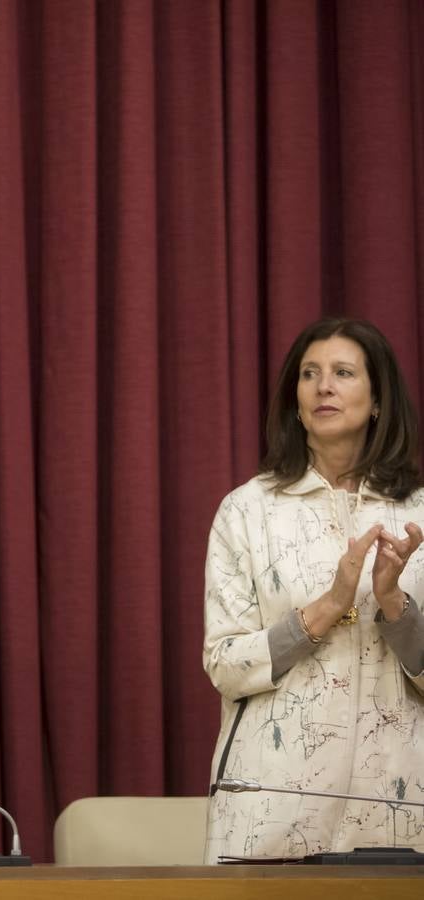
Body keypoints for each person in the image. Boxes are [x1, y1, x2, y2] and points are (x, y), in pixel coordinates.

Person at [203, 317, 424, 861]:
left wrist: (394, 605)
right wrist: (326, 609)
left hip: (396, 803)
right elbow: (224, 664)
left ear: (377, 401)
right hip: (270, 800)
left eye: (343, 372)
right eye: (309, 374)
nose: (323, 386)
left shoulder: (418, 511)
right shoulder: (247, 510)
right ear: (295, 400)